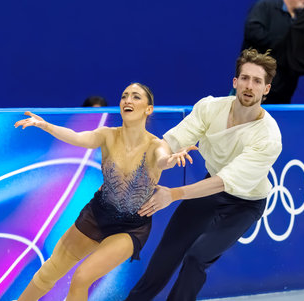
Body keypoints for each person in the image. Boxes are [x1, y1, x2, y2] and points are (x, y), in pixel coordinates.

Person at [13, 83, 196, 301]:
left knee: (81, 277)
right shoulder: (107, 135)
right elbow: (77, 137)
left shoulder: (156, 145)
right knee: (49, 272)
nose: (127, 100)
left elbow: (162, 159)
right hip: (97, 215)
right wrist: (46, 126)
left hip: (131, 227)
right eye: (124, 96)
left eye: (136, 97)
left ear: (149, 109)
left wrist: (172, 159)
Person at [125, 49, 283, 301]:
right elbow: (171, 140)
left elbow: (223, 182)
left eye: (257, 81)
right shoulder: (210, 108)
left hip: (245, 203)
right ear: (235, 82)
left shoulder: (268, 137)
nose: (249, 86)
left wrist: (173, 194)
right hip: (210, 191)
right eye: (244, 78)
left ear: (266, 89)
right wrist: (163, 158)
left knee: (196, 258)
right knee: (163, 261)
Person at [241, 0, 304, 104]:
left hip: (284, 88)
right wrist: (284, 45)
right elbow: (253, 30)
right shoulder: (265, 5)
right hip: (257, 83)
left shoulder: (303, 16)